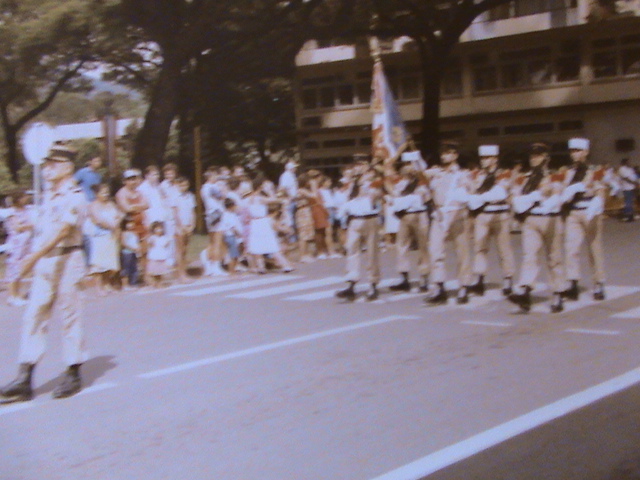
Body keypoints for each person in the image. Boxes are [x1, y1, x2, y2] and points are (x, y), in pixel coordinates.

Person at [0, 146, 89, 403]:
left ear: (68, 167)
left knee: (70, 316)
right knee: (34, 315)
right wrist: (27, 224)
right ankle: (25, 377)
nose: (47, 168)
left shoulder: (75, 195)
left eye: (53, 163)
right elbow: (45, 223)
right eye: (47, 163)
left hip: (67, 258)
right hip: (46, 262)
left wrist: (32, 258)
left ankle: (73, 372)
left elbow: (62, 232)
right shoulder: (50, 195)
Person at [507, 143, 565, 313]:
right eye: (532, 156)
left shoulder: (554, 175)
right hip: (531, 218)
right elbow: (512, 195)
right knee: (529, 256)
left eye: (538, 155)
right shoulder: (524, 177)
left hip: (550, 218)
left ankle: (558, 292)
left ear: (546, 157)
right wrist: (525, 200)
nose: (534, 159)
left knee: (554, 258)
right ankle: (525, 291)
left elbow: (556, 193)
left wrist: (544, 197)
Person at [424, 141, 473, 305]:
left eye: (449, 153)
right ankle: (439, 286)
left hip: (456, 216)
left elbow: (465, 196)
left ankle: (464, 286)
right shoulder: (436, 173)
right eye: (443, 153)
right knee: (435, 251)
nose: (445, 156)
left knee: (462, 253)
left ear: (455, 155)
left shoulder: (462, 174)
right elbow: (426, 195)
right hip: (439, 215)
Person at [560, 137, 607, 301]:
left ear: (586, 152)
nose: (574, 154)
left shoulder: (596, 170)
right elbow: (560, 190)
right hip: (573, 212)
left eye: (578, 151)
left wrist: (598, 201)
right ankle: (572, 283)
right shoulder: (567, 171)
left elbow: (601, 190)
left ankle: (598, 282)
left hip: (590, 211)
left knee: (594, 248)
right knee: (571, 248)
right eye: (572, 151)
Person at [466, 145, 516, 296]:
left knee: (504, 249)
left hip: (500, 215)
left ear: (495, 159)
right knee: (480, 248)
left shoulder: (503, 174)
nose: (484, 161)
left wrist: (479, 198)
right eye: (482, 158)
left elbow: (500, 192)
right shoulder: (477, 175)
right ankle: (479, 280)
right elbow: (470, 191)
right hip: (482, 215)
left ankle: (508, 279)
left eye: (487, 158)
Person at [335, 167, 383, 302]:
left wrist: (368, 182)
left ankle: (373, 285)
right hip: (354, 220)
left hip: (369, 219)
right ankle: (351, 284)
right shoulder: (349, 186)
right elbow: (345, 201)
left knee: (372, 253)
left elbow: (376, 194)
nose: (355, 172)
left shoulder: (372, 184)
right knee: (352, 252)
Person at [388, 161, 431, 293]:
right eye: (406, 167)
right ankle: (404, 278)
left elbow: (427, 198)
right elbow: (394, 199)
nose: (408, 170)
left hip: (420, 215)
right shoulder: (399, 185)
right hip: (405, 217)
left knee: (422, 246)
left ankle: (424, 278)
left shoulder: (421, 182)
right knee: (401, 246)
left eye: (411, 166)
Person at [245, 175, 294, 274]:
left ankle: (261, 267)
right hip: (262, 222)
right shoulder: (259, 198)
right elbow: (272, 200)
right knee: (271, 244)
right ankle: (285, 265)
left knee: (257, 245)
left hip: (255, 223)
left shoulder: (249, 198)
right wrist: (278, 197)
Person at [87, 182, 124, 296]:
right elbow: (98, 220)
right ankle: (99, 287)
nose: (106, 194)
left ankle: (107, 283)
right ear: (97, 194)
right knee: (99, 265)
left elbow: (119, 215)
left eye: (107, 192)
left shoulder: (111, 204)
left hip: (112, 236)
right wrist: (111, 226)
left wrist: (116, 226)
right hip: (99, 237)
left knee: (110, 263)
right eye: (103, 192)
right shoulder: (93, 205)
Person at [3, 190, 34, 306]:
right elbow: (17, 227)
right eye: (23, 197)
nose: (26, 198)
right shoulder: (12, 212)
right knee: (13, 269)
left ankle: (19, 294)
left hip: (26, 243)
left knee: (22, 268)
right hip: (16, 243)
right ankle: (12, 296)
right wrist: (29, 225)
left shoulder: (27, 210)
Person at [174, 176, 196, 282]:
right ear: (178, 185)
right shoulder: (175, 196)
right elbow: (175, 213)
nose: (184, 187)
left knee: (185, 251)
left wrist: (192, 225)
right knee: (180, 250)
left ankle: (184, 272)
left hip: (188, 225)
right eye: (181, 185)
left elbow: (192, 212)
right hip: (179, 227)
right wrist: (181, 226)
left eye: (186, 185)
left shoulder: (190, 196)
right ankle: (180, 274)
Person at [218, 198, 244, 275]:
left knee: (236, 254)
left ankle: (234, 269)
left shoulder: (232, 214)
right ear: (230, 206)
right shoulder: (227, 215)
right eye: (234, 205)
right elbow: (232, 227)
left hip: (233, 236)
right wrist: (239, 234)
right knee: (233, 255)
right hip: (231, 236)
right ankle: (231, 271)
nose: (236, 207)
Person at [145, 221, 172, 288]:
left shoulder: (164, 237)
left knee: (160, 272)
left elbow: (166, 244)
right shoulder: (153, 238)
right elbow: (149, 244)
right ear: (154, 230)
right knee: (154, 271)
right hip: (154, 256)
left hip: (161, 256)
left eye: (160, 229)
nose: (159, 230)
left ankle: (159, 283)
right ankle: (154, 282)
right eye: (157, 229)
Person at [120, 217, 141, 289]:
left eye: (132, 223)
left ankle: (133, 283)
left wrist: (138, 248)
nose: (130, 225)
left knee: (134, 268)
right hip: (127, 253)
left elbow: (136, 242)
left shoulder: (134, 233)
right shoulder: (124, 233)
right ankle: (125, 285)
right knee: (126, 269)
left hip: (134, 253)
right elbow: (123, 243)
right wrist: (132, 248)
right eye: (128, 224)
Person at [618, 158, 638, 222]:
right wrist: (634, 182)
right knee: (628, 202)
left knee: (631, 201)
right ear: (625, 162)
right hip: (626, 187)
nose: (630, 163)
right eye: (628, 162)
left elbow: (633, 176)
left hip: (632, 187)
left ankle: (631, 215)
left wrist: (636, 183)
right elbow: (625, 178)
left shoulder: (630, 168)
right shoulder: (622, 169)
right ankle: (627, 216)